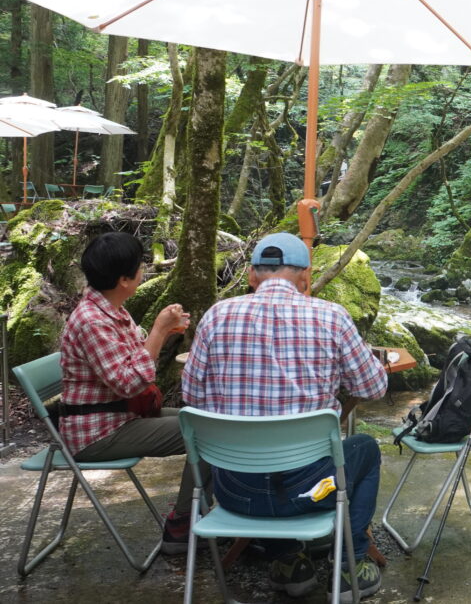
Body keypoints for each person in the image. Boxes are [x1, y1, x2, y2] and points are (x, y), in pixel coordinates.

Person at [182, 232, 388, 601]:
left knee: (259, 458)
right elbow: (373, 388)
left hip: (235, 493)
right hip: (312, 492)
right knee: (365, 449)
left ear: (251, 275)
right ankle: (352, 562)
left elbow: (192, 399)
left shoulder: (217, 315)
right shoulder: (331, 317)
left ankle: (289, 562)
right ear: (306, 277)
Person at [60, 231, 200, 555]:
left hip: (119, 416)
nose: (144, 271)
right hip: (97, 433)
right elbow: (128, 382)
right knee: (206, 432)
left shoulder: (112, 308)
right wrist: (160, 330)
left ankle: (198, 514)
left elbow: (134, 356)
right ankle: (182, 526)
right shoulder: (91, 321)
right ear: (124, 279)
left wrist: (161, 333)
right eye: (139, 266)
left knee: (204, 421)